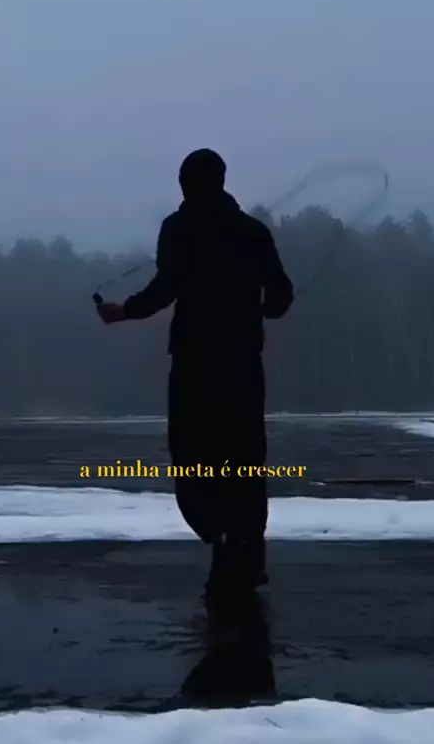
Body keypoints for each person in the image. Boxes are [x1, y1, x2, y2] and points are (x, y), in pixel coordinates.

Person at [96, 149, 294, 598]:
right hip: (243, 363)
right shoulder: (254, 232)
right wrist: (265, 308)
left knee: (192, 450)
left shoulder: (178, 228)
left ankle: (219, 534)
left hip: (195, 361)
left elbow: (167, 286)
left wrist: (125, 311)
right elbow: (281, 294)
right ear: (222, 181)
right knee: (245, 455)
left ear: (186, 183)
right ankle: (247, 549)